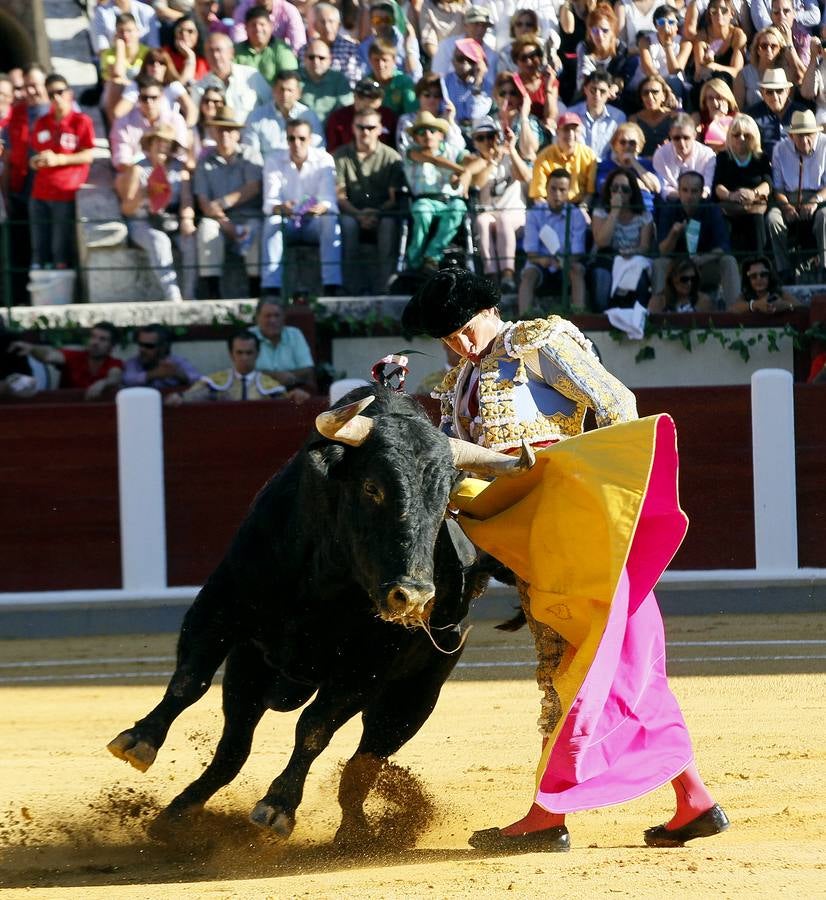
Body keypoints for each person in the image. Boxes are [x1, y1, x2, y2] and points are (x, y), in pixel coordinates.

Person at [401, 267, 730, 854]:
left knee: (575, 667)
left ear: (487, 308)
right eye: (444, 336)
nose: (456, 343)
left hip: (582, 531)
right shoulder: (458, 382)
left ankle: (546, 815)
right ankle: (693, 801)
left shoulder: (538, 342)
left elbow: (617, 405)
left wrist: (606, 503)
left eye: (461, 328)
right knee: (612, 663)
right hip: (534, 542)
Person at [260, 118, 343, 295]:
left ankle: (332, 285)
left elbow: (328, 199)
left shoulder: (324, 159)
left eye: (301, 138)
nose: (296, 143)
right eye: (291, 138)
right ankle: (271, 288)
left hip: (314, 222)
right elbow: (269, 203)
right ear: (286, 139)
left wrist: (320, 207)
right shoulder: (273, 159)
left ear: (311, 139)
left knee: (330, 220)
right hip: (287, 221)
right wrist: (282, 208)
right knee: (273, 221)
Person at [119, 123, 198, 301]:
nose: (163, 146)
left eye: (167, 143)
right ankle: (173, 297)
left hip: (172, 220)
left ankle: (190, 294)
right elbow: (126, 208)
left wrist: (187, 219)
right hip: (143, 221)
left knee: (190, 240)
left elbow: (186, 199)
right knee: (159, 241)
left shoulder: (180, 169)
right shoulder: (138, 169)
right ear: (150, 144)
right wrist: (144, 193)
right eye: (159, 142)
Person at [192, 105, 263, 298]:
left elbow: (253, 187)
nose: (225, 135)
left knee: (255, 229)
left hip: (248, 216)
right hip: (219, 220)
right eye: (220, 130)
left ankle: (255, 289)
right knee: (206, 228)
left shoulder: (250, 155)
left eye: (230, 130)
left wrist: (223, 202)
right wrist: (226, 223)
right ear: (213, 132)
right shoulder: (204, 161)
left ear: (238, 134)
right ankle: (212, 290)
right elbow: (204, 201)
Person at [27, 74, 95, 273]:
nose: (56, 97)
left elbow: (89, 155)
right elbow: (35, 156)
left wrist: (60, 159)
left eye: (60, 92)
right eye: (51, 94)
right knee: (39, 249)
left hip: (65, 192)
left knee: (60, 249)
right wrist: (36, 161)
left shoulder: (81, 121)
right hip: (39, 193)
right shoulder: (41, 122)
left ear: (69, 93)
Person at [335, 107, 404, 294]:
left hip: (383, 213)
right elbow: (340, 196)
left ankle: (386, 287)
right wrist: (358, 215)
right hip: (351, 212)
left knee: (389, 225)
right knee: (347, 226)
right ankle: (349, 288)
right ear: (353, 128)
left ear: (380, 129)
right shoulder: (340, 156)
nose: (365, 132)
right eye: (361, 127)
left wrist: (374, 213)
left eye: (371, 127)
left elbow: (393, 199)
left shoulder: (392, 158)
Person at [652, 170, 741, 309]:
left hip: (704, 267)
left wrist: (703, 258)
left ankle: (736, 312)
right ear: (679, 191)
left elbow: (723, 247)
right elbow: (662, 251)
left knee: (729, 261)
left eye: (694, 191)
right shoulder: (669, 210)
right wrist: (674, 234)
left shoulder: (712, 210)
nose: (689, 196)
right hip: (677, 269)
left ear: (701, 193)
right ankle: (658, 314)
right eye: (685, 190)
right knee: (659, 263)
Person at [402, 109, 472, 272]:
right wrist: (460, 170)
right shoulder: (410, 152)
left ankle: (432, 256)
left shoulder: (453, 151)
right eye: (421, 131)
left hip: (449, 200)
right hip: (424, 200)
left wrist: (466, 174)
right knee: (422, 212)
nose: (427, 134)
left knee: (458, 208)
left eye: (432, 130)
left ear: (441, 134)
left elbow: (473, 161)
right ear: (415, 138)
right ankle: (414, 261)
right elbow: (433, 160)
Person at [468, 116, 530, 293]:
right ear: (474, 141)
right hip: (489, 214)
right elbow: (478, 183)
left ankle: (508, 275)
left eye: (491, 136)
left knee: (503, 218)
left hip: (515, 215)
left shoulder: (509, 157)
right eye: (481, 138)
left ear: (497, 136)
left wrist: (511, 150)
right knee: (481, 221)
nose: (487, 141)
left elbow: (525, 177)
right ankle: (491, 277)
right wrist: (493, 159)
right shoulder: (474, 162)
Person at [766, 109, 826, 281]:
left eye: (809, 135)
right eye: (800, 135)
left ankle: (825, 267)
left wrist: (815, 201)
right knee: (773, 220)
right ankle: (784, 271)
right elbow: (778, 188)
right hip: (789, 198)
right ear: (791, 136)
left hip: (819, 198)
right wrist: (786, 207)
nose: (805, 140)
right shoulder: (780, 149)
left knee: (825, 217)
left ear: (815, 133)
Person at [518, 168, 588, 312]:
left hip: (568, 263)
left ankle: (579, 314)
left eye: (562, 190)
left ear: (569, 191)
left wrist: (564, 262)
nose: (557, 194)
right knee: (528, 275)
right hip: (541, 263)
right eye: (553, 189)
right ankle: (523, 318)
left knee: (577, 270)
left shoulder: (576, 215)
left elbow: (578, 252)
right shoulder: (534, 214)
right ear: (546, 189)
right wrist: (547, 261)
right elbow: (531, 252)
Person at [589, 167, 653, 311]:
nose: (619, 193)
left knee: (641, 280)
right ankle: (602, 320)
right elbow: (601, 242)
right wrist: (615, 211)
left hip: (632, 259)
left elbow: (645, 247)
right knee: (601, 276)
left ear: (632, 193)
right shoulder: (600, 212)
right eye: (615, 188)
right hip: (606, 258)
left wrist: (632, 251)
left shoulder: (644, 216)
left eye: (625, 189)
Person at [10, 321, 123, 400]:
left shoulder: (114, 363)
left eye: (102, 339)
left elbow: (114, 377)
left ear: (112, 346)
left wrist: (103, 383)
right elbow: (49, 356)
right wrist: (32, 348)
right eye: (93, 337)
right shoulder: (76, 356)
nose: (95, 342)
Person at [167, 330, 287, 403]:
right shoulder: (215, 382)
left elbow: (288, 403)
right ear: (231, 354)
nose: (244, 358)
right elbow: (193, 396)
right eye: (239, 352)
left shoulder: (271, 386)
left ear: (257, 354)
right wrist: (179, 397)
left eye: (249, 353)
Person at [712, 113, 772, 256]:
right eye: (736, 135)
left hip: (754, 207)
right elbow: (717, 185)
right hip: (730, 207)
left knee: (757, 220)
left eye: (747, 135)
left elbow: (768, 184)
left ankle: (760, 262)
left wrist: (754, 193)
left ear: (754, 136)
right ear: (730, 136)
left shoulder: (761, 158)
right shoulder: (723, 158)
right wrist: (731, 195)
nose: (741, 139)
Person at [242, 69, 325, 156]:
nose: (285, 94)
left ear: (299, 93)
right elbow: (250, 153)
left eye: (290, 90)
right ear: (273, 91)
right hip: (266, 168)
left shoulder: (309, 116)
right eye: (281, 89)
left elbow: (318, 150)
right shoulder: (256, 116)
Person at [191, 32, 270, 123]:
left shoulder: (252, 76)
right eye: (210, 51)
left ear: (231, 52)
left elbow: (270, 105)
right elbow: (196, 120)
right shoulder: (199, 87)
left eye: (219, 50)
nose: (215, 55)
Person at [529, 111, 597, 208]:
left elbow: (590, 193)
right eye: (566, 129)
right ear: (557, 132)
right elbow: (538, 196)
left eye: (575, 130)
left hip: (578, 206)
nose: (571, 134)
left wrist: (582, 210)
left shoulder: (589, 156)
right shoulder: (543, 157)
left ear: (581, 132)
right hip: (549, 207)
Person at [250, 297, 315, 394]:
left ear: (284, 317)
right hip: (257, 393)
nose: (272, 320)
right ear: (258, 318)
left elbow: (307, 369)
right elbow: (244, 371)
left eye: (277, 316)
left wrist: (284, 376)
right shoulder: (249, 336)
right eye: (267, 316)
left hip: (293, 391)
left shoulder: (295, 334)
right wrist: (277, 376)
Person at [595, 121, 661, 212]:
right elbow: (602, 188)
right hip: (614, 211)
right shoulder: (605, 165)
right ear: (614, 145)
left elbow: (656, 188)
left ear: (639, 146)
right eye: (622, 142)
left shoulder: (647, 164)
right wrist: (637, 183)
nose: (627, 146)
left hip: (645, 212)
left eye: (632, 143)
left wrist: (634, 162)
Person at [745, 67, 809, 160]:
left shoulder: (802, 113)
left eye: (779, 91)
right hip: (765, 167)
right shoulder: (752, 115)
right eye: (769, 92)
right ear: (762, 93)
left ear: (787, 91)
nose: (775, 96)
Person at [636, 5, 692, 110]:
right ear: (656, 26)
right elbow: (648, 69)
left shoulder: (685, 42)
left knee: (673, 80)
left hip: (676, 86)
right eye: (661, 22)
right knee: (654, 87)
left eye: (671, 22)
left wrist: (667, 44)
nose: (666, 26)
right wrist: (665, 88)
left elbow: (674, 70)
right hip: (653, 83)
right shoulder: (645, 41)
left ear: (677, 25)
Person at [396, 72, 465, 155]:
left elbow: (459, 148)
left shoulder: (446, 119)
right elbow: (404, 150)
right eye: (427, 95)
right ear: (419, 96)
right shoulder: (406, 120)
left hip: (444, 166)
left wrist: (450, 121)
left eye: (436, 95)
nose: (432, 99)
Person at [652, 112, 717, 200]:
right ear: (670, 136)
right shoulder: (661, 154)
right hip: (672, 202)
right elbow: (664, 190)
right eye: (676, 138)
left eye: (686, 138)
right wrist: (685, 198)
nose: (681, 143)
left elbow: (707, 188)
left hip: (700, 202)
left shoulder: (707, 155)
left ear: (694, 135)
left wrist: (690, 198)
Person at [325, 76, 397, 154]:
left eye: (377, 97)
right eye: (369, 97)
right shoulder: (338, 118)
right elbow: (332, 151)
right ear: (355, 97)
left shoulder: (388, 116)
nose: (373, 103)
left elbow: (395, 149)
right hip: (347, 163)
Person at [299, 3, 364, 90]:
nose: (327, 27)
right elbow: (301, 77)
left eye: (331, 21)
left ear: (339, 24)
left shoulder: (350, 49)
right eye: (322, 22)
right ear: (315, 26)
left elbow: (353, 79)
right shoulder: (306, 49)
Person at [569, 70, 626, 161]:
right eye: (593, 90)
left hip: (607, 168)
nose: (597, 95)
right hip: (578, 165)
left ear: (609, 93)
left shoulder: (619, 117)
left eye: (602, 91)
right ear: (585, 90)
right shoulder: (571, 114)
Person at [233, 5, 299, 84]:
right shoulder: (236, 51)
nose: (258, 29)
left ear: (271, 26)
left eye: (262, 24)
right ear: (246, 28)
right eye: (253, 25)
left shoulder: (282, 49)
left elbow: (290, 81)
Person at [122, 323, 200, 387]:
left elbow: (200, 381)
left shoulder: (176, 362)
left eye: (149, 346)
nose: (142, 349)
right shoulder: (133, 362)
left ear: (163, 347)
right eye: (140, 345)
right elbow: (127, 380)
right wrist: (153, 374)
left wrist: (179, 374)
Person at [733, 26, 791, 110]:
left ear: (780, 49)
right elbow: (738, 108)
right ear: (757, 50)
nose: (768, 50)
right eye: (764, 46)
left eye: (773, 46)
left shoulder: (786, 73)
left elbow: (788, 105)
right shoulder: (744, 74)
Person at [298, 38, 354, 125]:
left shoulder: (339, 80)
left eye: (321, 58)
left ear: (330, 60)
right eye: (311, 57)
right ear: (304, 58)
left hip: (329, 134)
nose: (316, 62)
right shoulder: (295, 78)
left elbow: (346, 111)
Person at [729, 254, 800, 314]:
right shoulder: (745, 295)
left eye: (763, 274)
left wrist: (785, 305)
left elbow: (800, 307)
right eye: (753, 276)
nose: (759, 279)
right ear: (748, 280)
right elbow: (733, 309)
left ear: (769, 276)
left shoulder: (779, 292)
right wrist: (755, 305)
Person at [629, 74, 678, 158]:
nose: (650, 97)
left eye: (655, 92)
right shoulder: (634, 120)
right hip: (642, 165)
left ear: (663, 96)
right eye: (645, 93)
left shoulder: (674, 117)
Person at [647, 258, 715, 312]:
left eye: (693, 279)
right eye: (684, 279)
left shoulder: (703, 300)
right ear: (672, 279)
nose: (689, 283)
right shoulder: (658, 301)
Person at [695, 78, 739, 152]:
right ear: (704, 101)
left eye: (719, 98)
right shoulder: (697, 118)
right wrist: (716, 119)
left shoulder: (737, 118)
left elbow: (737, 148)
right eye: (710, 98)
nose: (715, 103)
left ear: (727, 99)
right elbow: (696, 150)